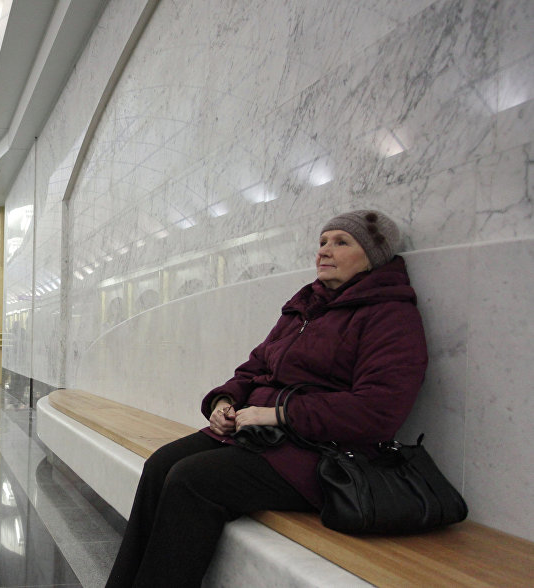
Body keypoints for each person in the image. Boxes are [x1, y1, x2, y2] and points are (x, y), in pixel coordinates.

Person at [106, 211, 428, 587]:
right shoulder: (306, 306)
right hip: (265, 438)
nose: (325, 250)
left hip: (324, 455)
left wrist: (278, 414)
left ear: (374, 255)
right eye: (323, 241)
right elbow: (255, 367)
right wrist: (224, 402)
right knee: (161, 464)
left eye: (342, 242)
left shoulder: (389, 314)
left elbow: (379, 411)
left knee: (193, 480)